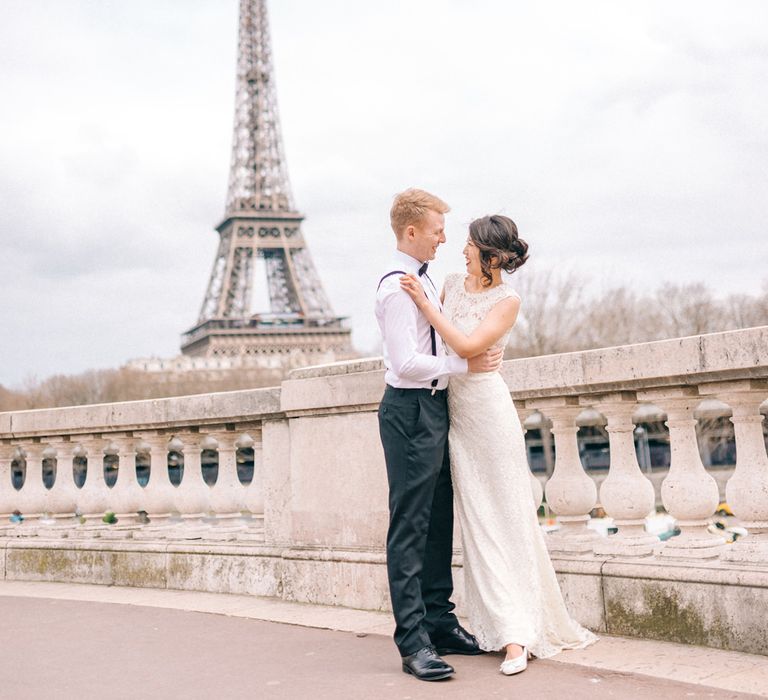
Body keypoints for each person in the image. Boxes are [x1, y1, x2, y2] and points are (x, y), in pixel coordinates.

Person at [400, 214, 597, 676]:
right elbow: (442, 346)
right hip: (454, 418)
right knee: (478, 525)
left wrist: (429, 310)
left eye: (469, 244)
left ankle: (517, 637)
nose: (461, 249)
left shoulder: (507, 300)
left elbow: (468, 348)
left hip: (488, 417)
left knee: (507, 521)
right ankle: (496, 624)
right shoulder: (449, 282)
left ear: (490, 254)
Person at [375, 189, 504, 682]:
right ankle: (413, 642)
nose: (444, 239)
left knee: (438, 519)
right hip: (409, 409)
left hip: (433, 407)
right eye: (435, 230)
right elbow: (405, 364)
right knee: (410, 525)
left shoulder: (423, 283)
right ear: (411, 232)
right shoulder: (395, 288)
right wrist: (463, 364)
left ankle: (440, 621)